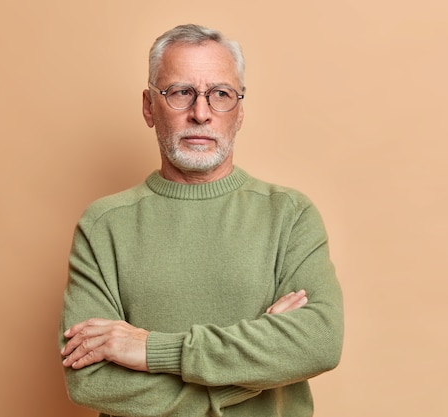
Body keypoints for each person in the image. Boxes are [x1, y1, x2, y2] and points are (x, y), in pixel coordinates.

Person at [59, 24, 344, 417]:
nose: (201, 113)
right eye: (180, 93)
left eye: (221, 95)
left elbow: (319, 342)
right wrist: (251, 375)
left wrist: (151, 349)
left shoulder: (290, 215)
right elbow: (90, 381)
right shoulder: (103, 225)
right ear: (148, 106)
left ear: (240, 111)